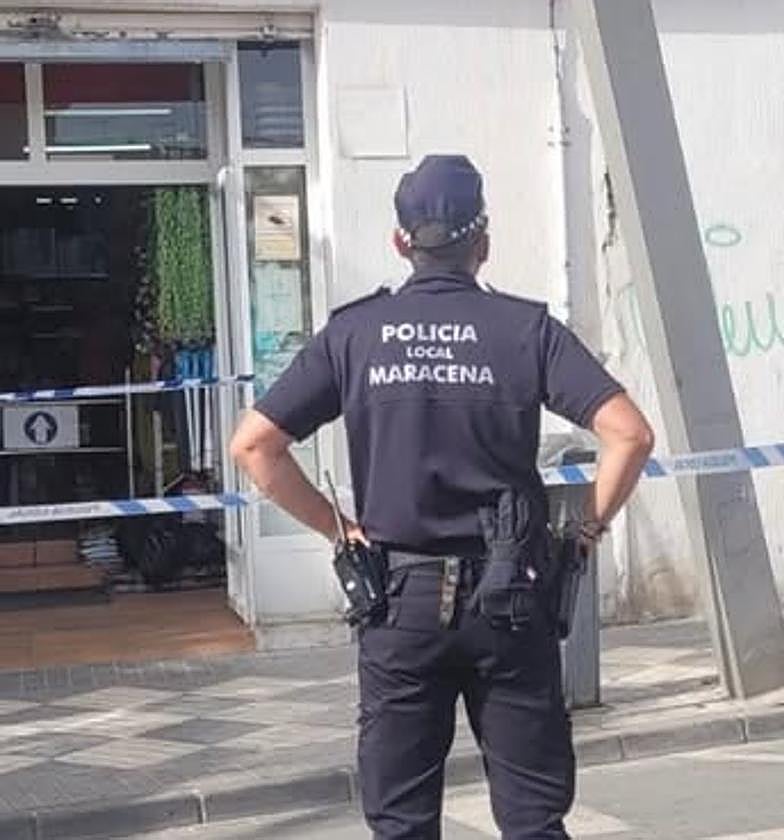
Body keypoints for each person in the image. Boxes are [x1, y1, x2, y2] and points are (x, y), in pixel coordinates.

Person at [230, 154, 654, 839]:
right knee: (534, 819)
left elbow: (254, 446)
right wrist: (585, 532)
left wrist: (338, 528)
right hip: (510, 599)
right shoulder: (524, 330)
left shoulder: (355, 333)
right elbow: (629, 435)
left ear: (400, 242)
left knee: (401, 822)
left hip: (400, 601)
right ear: (482, 242)